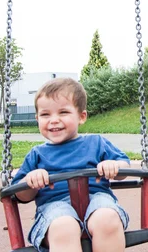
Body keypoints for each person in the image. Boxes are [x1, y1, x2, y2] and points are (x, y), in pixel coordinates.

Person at [12, 77, 130, 252]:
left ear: (81, 117)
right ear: (37, 119)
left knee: (107, 218)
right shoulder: (37, 154)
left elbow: (124, 168)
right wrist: (32, 181)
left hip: (98, 200)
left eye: (63, 112)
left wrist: (114, 166)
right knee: (64, 226)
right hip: (55, 208)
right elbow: (21, 195)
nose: (53, 120)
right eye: (45, 114)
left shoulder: (96, 143)